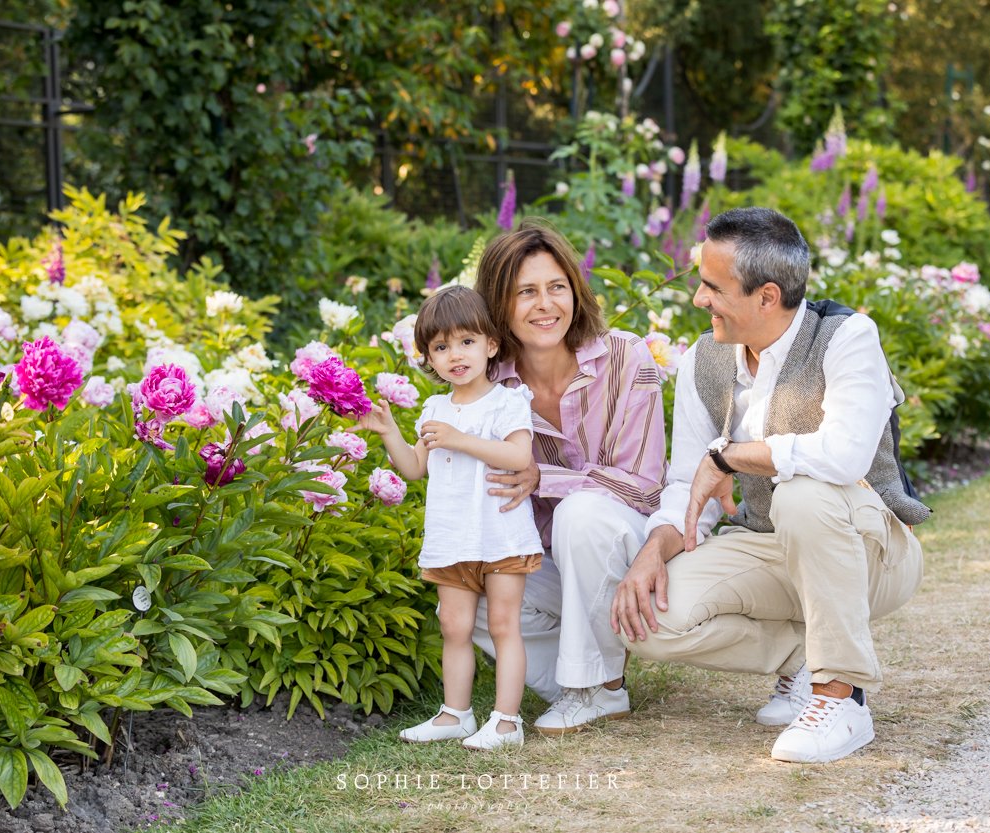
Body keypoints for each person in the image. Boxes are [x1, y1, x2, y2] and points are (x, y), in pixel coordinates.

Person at [610, 206, 931, 763]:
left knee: (804, 492)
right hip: (765, 544)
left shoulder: (847, 336)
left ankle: (842, 698)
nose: (698, 299)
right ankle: (807, 658)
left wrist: (732, 457)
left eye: (713, 287)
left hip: (870, 549)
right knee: (649, 622)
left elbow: (843, 455)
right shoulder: (702, 361)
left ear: (767, 295)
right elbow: (691, 483)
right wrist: (651, 551)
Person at [471, 219, 667, 734]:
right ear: (498, 305)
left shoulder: (624, 356)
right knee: (470, 590)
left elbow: (643, 485)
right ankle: (586, 682)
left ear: (575, 293)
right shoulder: (492, 385)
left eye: (557, 287)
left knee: (580, 513)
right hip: (558, 558)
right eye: (526, 292)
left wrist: (542, 478)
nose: (546, 305)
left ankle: (592, 688)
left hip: (634, 546)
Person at [359, 285, 544, 751]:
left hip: (500, 534)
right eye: (441, 347)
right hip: (453, 537)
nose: (454, 355)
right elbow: (415, 468)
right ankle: (455, 714)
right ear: (429, 358)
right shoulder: (436, 408)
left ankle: (506, 721)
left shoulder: (507, 400)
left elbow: (519, 455)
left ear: (491, 345)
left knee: (504, 625)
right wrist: (389, 433)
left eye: (466, 342)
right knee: (454, 627)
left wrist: (459, 438)